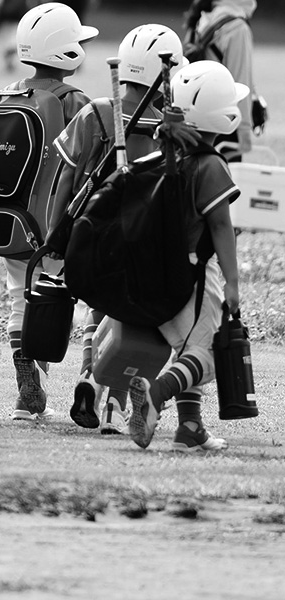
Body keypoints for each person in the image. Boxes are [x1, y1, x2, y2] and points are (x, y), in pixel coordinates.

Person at [52, 24, 188, 434]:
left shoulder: (96, 111)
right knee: (125, 316)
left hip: (92, 234)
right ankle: (109, 403)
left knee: (98, 308)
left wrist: (57, 234)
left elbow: (64, 177)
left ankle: (92, 379)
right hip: (144, 242)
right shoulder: (172, 127)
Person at [127, 60, 246, 452]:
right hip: (191, 274)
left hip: (151, 271)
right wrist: (232, 281)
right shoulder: (210, 164)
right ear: (222, 114)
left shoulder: (162, 154)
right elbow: (220, 227)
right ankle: (156, 394)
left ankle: (190, 428)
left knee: (187, 349)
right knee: (207, 354)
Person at [0, 2, 94, 421]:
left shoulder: (2, 95)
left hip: (11, 224)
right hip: (58, 225)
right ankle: (92, 381)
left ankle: (27, 392)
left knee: (20, 301)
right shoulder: (77, 102)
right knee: (86, 303)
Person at [183, 0, 258, 162]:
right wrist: (244, 130)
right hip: (225, 120)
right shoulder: (237, 28)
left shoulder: (204, 18)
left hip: (198, 116)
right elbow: (240, 80)